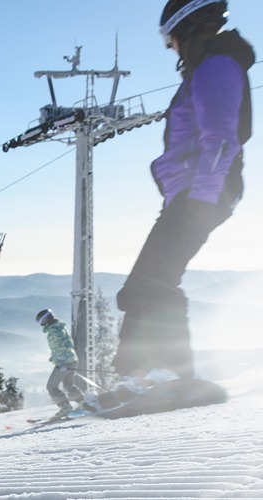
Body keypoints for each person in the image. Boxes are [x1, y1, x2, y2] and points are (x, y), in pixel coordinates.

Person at [114, 0, 254, 379]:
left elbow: (222, 140)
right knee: (140, 287)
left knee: (154, 282)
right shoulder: (206, 69)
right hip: (191, 195)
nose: (169, 47)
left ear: (190, 27)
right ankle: (132, 378)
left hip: (203, 193)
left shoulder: (216, 67)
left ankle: (171, 377)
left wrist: (200, 198)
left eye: (170, 37)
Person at [37, 309, 84, 418]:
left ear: (46, 319)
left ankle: (65, 407)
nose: (41, 324)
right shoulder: (59, 326)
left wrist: (61, 361)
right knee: (68, 384)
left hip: (65, 362)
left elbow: (61, 346)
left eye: (41, 321)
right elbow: (67, 344)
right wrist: (54, 357)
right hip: (71, 359)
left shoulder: (54, 330)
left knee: (51, 386)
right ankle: (83, 403)